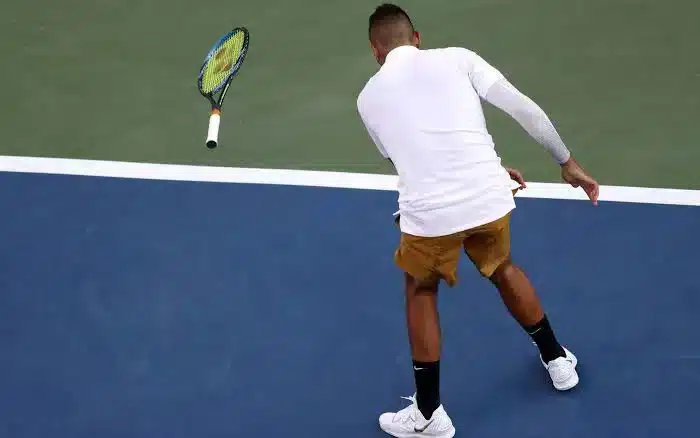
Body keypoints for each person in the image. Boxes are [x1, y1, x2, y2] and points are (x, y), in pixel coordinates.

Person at [356, 3, 600, 437]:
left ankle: (429, 414)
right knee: (502, 268)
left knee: (420, 289)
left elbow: (403, 154)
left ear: (376, 51)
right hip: (489, 197)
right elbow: (524, 108)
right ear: (417, 37)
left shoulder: (367, 98)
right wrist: (566, 162)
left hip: (432, 213)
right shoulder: (460, 58)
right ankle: (557, 359)